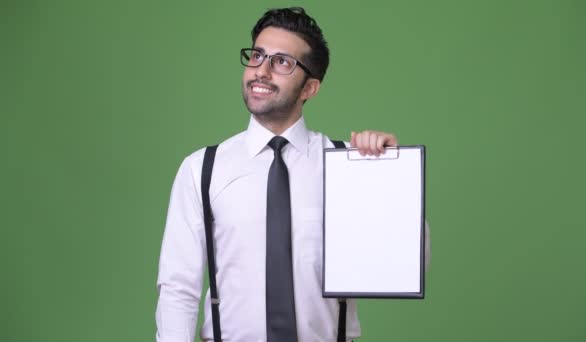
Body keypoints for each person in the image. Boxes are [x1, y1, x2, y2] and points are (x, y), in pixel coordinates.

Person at [155, 7, 403, 342]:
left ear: (309, 88)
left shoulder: (348, 164)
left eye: (282, 62)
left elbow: (405, 263)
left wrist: (388, 176)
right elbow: (178, 288)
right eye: (257, 56)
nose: (262, 71)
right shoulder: (202, 169)